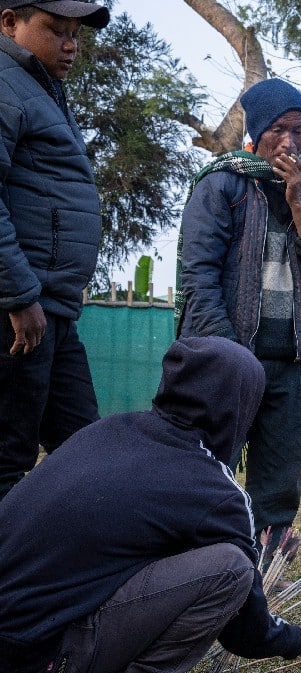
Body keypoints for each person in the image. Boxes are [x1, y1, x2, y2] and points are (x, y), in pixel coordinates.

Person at [0, 336, 301, 673]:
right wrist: (296, 639)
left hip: (12, 651)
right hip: (29, 671)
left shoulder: (107, 432)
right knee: (232, 568)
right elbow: (244, 629)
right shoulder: (215, 491)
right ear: (239, 407)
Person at [178, 77, 301, 555]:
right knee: (214, 462)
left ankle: (268, 562)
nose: (290, 141)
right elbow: (199, 276)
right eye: (278, 129)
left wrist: (296, 203)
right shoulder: (221, 184)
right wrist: (225, 350)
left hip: (291, 358)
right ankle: (211, 558)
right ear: (256, 132)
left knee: (280, 472)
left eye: (299, 130)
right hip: (229, 353)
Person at [0, 0, 111, 502]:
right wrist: (19, 295)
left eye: (76, 34)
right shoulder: (4, 84)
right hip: (20, 312)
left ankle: (71, 572)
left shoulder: (42, 89)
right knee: (6, 458)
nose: (71, 45)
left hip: (53, 312)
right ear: (9, 23)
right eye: (55, 31)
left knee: (87, 451)